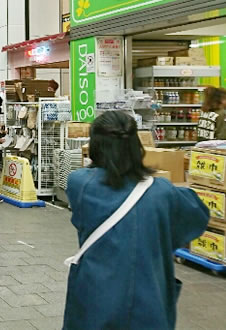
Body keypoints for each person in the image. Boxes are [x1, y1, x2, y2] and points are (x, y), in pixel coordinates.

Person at [64, 111, 209, 329]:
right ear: (135, 146)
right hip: (149, 303)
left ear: (95, 145)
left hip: (95, 300)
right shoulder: (162, 193)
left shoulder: (79, 184)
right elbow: (197, 217)